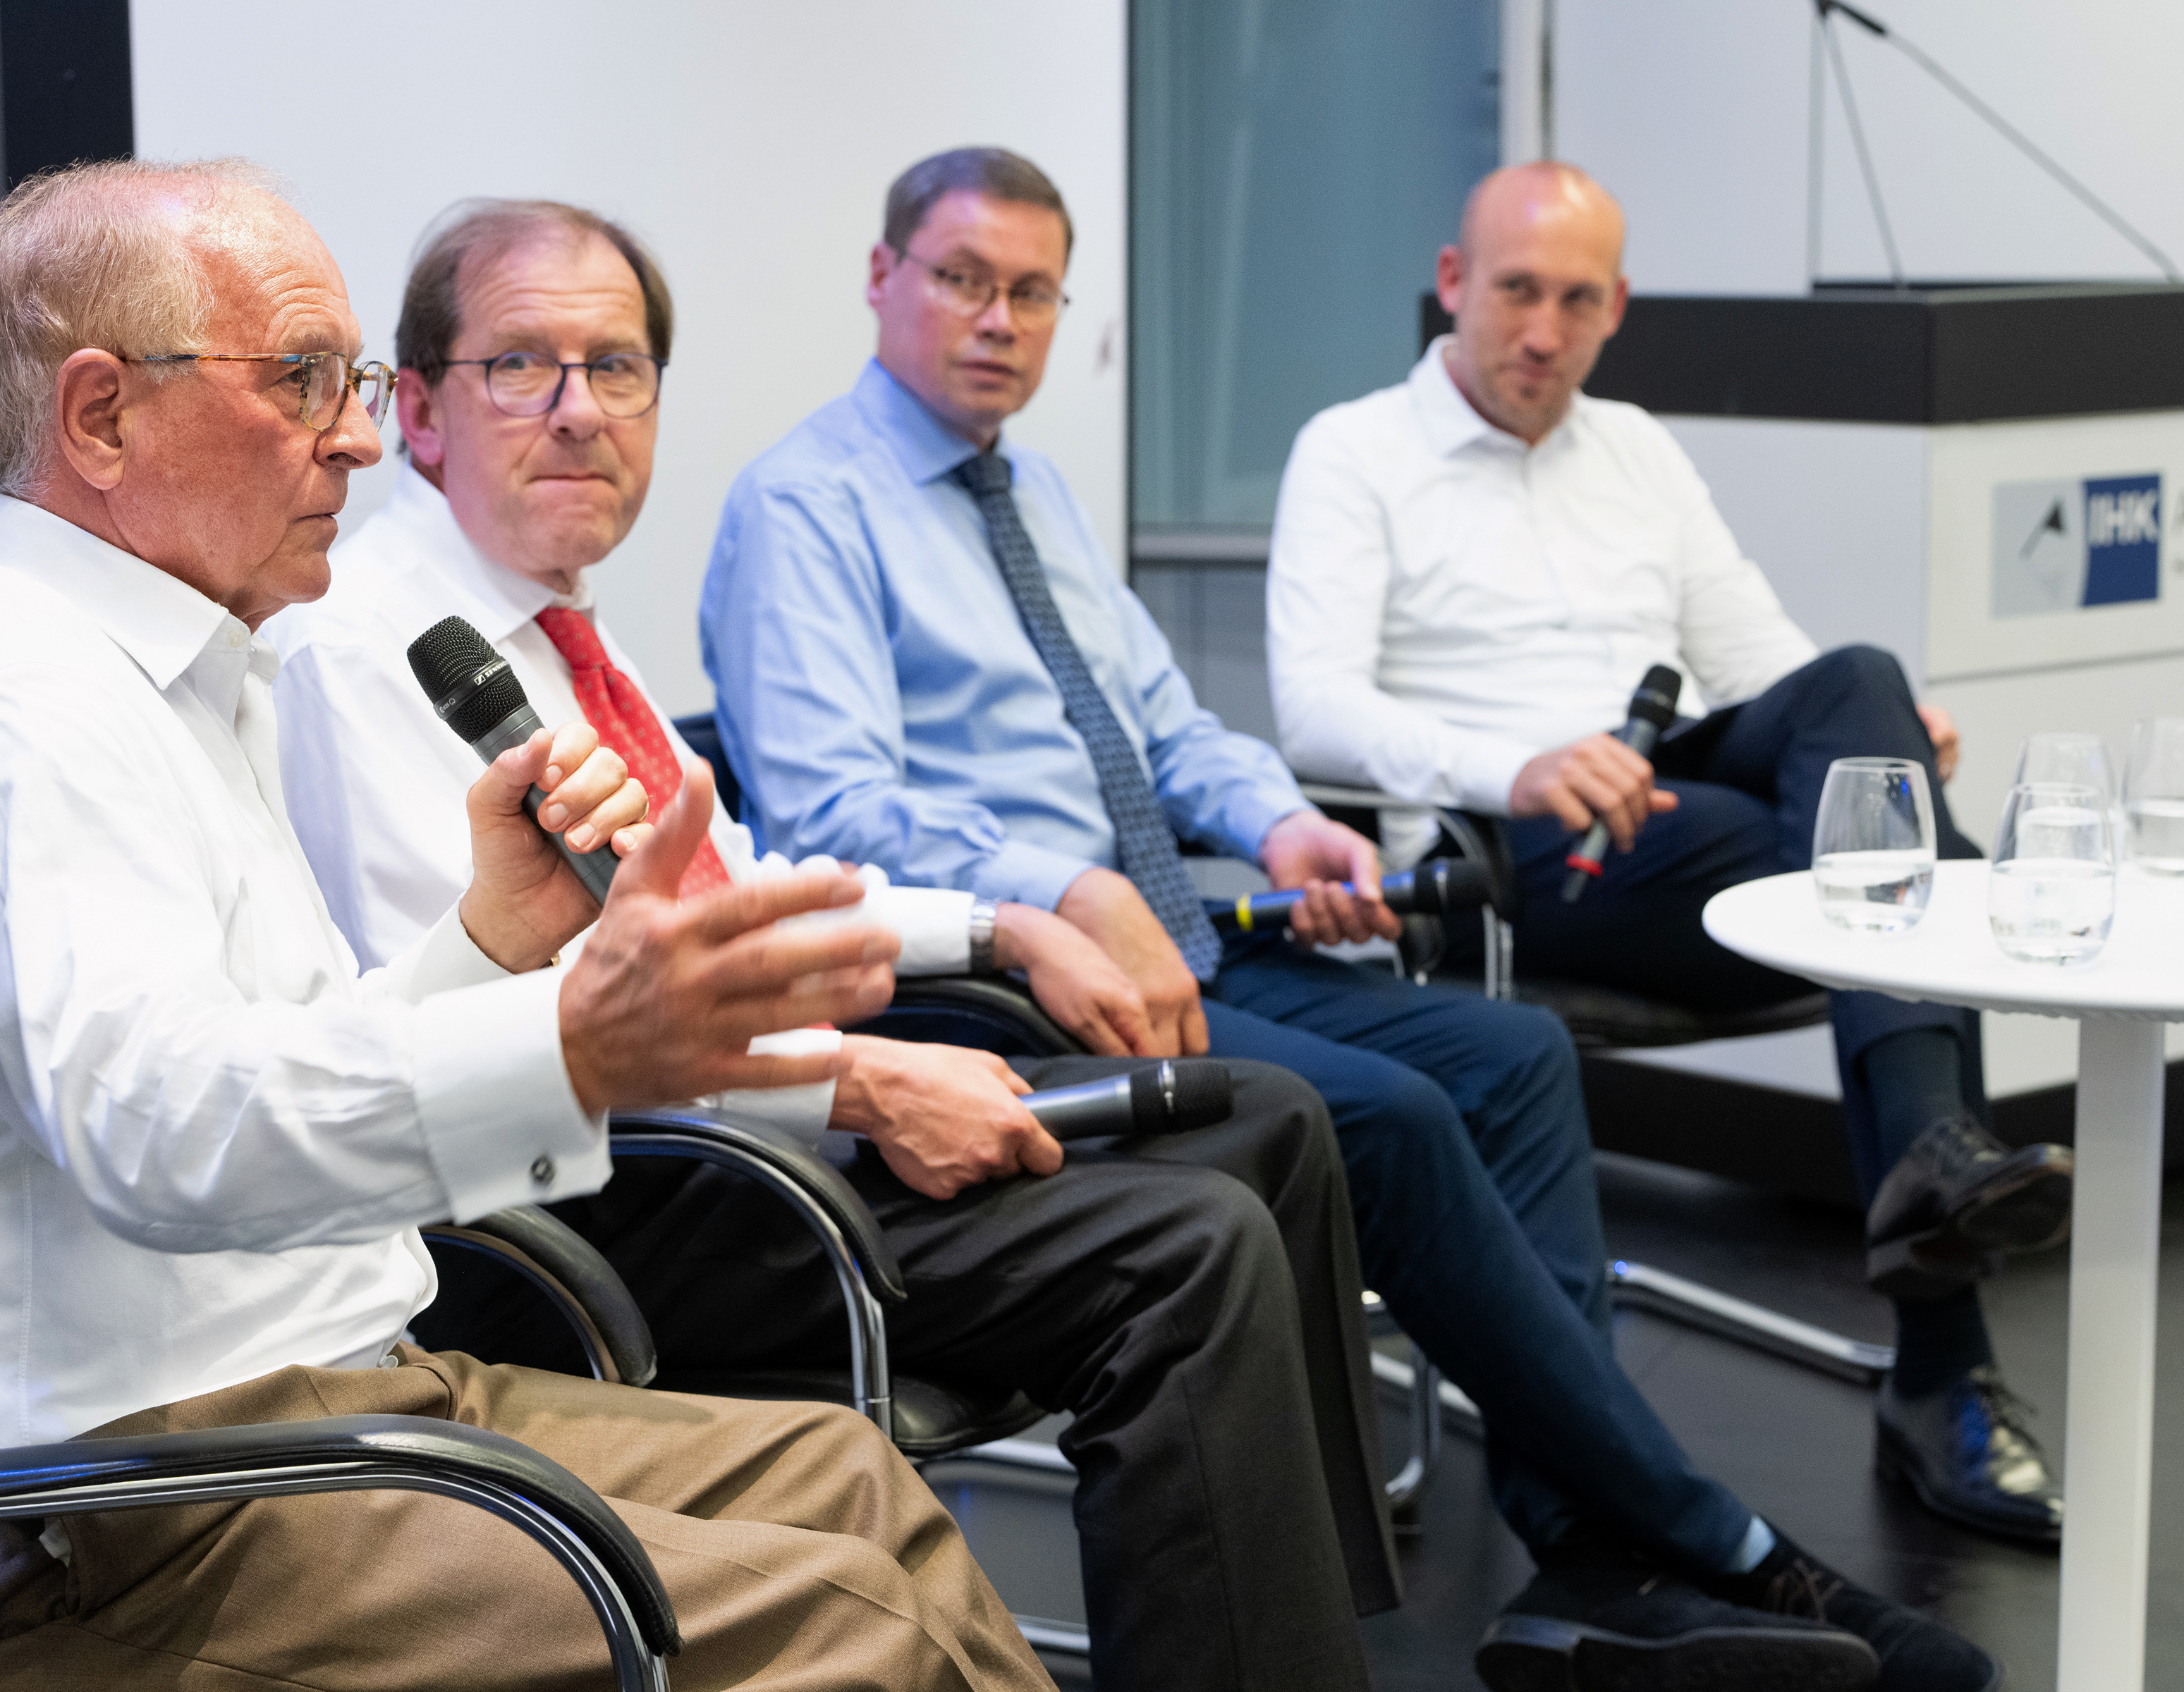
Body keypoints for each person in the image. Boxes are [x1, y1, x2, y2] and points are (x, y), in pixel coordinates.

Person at [700, 145, 1999, 1692]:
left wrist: (1282, 821)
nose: (1000, 320)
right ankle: (1706, 1538)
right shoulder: (804, 507)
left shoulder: (1031, 490)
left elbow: (1170, 728)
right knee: (1387, 1115)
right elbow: (836, 818)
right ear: (882, 279)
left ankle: (1594, 1559)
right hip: (1006, 979)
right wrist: (1058, 888)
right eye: (964, 281)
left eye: (1033, 292)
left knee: (1513, 1060)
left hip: (1175, 931)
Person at [0, 156, 1056, 1692]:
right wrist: (572, 1044)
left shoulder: (176, 675)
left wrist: (488, 943)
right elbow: (166, 1139)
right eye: (303, 380)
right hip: (76, 1528)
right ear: (100, 417)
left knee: (856, 1487)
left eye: (357, 382)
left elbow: (267, 1057)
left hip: (297, 1406)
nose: (363, 439)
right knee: (866, 1626)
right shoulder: (18, 709)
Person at [269, 197, 1403, 1692]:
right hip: (591, 1202)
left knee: (1266, 1123)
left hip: (719, 1127)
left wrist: (1003, 927)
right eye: (522, 366)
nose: (579, 411)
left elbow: (739, 895)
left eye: (617, 369)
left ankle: (1304, 1631)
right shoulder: (373, 652)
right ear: (417, 410)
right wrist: (863, 1085)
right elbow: (524, 1032)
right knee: (1189, 1247)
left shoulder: (559, 633)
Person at [1266, 160, 2070, 1546]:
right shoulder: (1354, 451)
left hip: (1682, 815)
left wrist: (1882, 739)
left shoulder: (1635, 446)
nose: (1543, 332)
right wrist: (1516, 764)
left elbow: (1767, 665)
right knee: (1916, 868)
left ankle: (1933, 1162)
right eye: (1517, 291)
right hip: (1502, 854)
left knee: (1860, 684)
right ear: (1454, 283)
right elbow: (1314, 709)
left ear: (1618, 308)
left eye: (1578, 302)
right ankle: (1942, 1359)